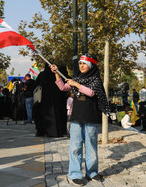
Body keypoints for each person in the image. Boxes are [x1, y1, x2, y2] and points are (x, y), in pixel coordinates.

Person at [51, 53, 109, 185]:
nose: (81, 66)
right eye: (80, 64)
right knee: (75, 147)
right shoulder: (77, 78)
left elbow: (91, 92)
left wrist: (76, 84)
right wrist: (56, 73)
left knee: (91, 147)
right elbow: (62, 87)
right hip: (77, 118)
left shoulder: (96, 79)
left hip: (91, 118)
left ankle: (92, 172)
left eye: (84, 64)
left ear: (91, 65)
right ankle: (75, 173)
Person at [33, 64, 68, 137]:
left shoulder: (43, 75)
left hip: (44, 100)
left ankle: (42, 131)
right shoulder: (61, 74)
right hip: (59, 100)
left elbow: (36, 86)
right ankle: (60, 130)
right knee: (59, 114)